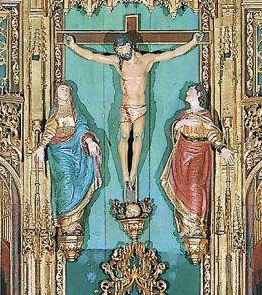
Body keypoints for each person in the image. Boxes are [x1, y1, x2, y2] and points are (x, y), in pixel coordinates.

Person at [65, 30, 202, 198]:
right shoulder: (118, 62)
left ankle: (133, 173)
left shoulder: (146, 60)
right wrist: (72, 46)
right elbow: (93, 56)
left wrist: (193, 43)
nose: (120, 53)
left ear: (130, 46)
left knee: (138, 136)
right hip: (125, 106)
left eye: (122, 49)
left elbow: (173, 53)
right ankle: (125, 175)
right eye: (118, 51)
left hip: (140, 106)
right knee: (123, 136)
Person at [158, 82, 231, 263]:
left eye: (190, 91)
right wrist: (182, 123)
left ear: (198, 95)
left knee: (195, 185)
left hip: (198, 153)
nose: (187, 93)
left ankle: (196, 223)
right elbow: (174, 131)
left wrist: (222, 149)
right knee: (183, 186)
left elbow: (213, 133)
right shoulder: (184, 115)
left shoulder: (205, 116)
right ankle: (188, 226)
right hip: (182, 153)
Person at [36, 82, 103, 261]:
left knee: (76, 182)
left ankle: (73, 225)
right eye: (60, 90)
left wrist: (89, 141)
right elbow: (49, 132)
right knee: (66, 182)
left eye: (66, 90)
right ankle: (67, 223)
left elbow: (82, 128)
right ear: (56, 95)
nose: (64, 93)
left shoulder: (75, 113)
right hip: (60, 155)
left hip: (76, 152)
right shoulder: (54, 114)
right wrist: (42, 147)